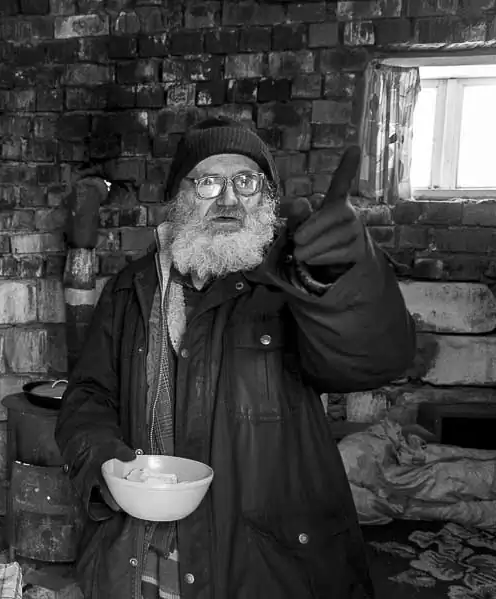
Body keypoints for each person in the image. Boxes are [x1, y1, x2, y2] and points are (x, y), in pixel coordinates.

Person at [54, 118, 416, 599]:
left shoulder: (290, 287)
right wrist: (105, 462)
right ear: (179, 197)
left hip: (267, 571)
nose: (228, 200)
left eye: (245, 182)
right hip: (140, 560)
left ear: (264, 198)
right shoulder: (131, 290)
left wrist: (344, 282)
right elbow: (88, 397)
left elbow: (376, 359)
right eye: (208, 181)